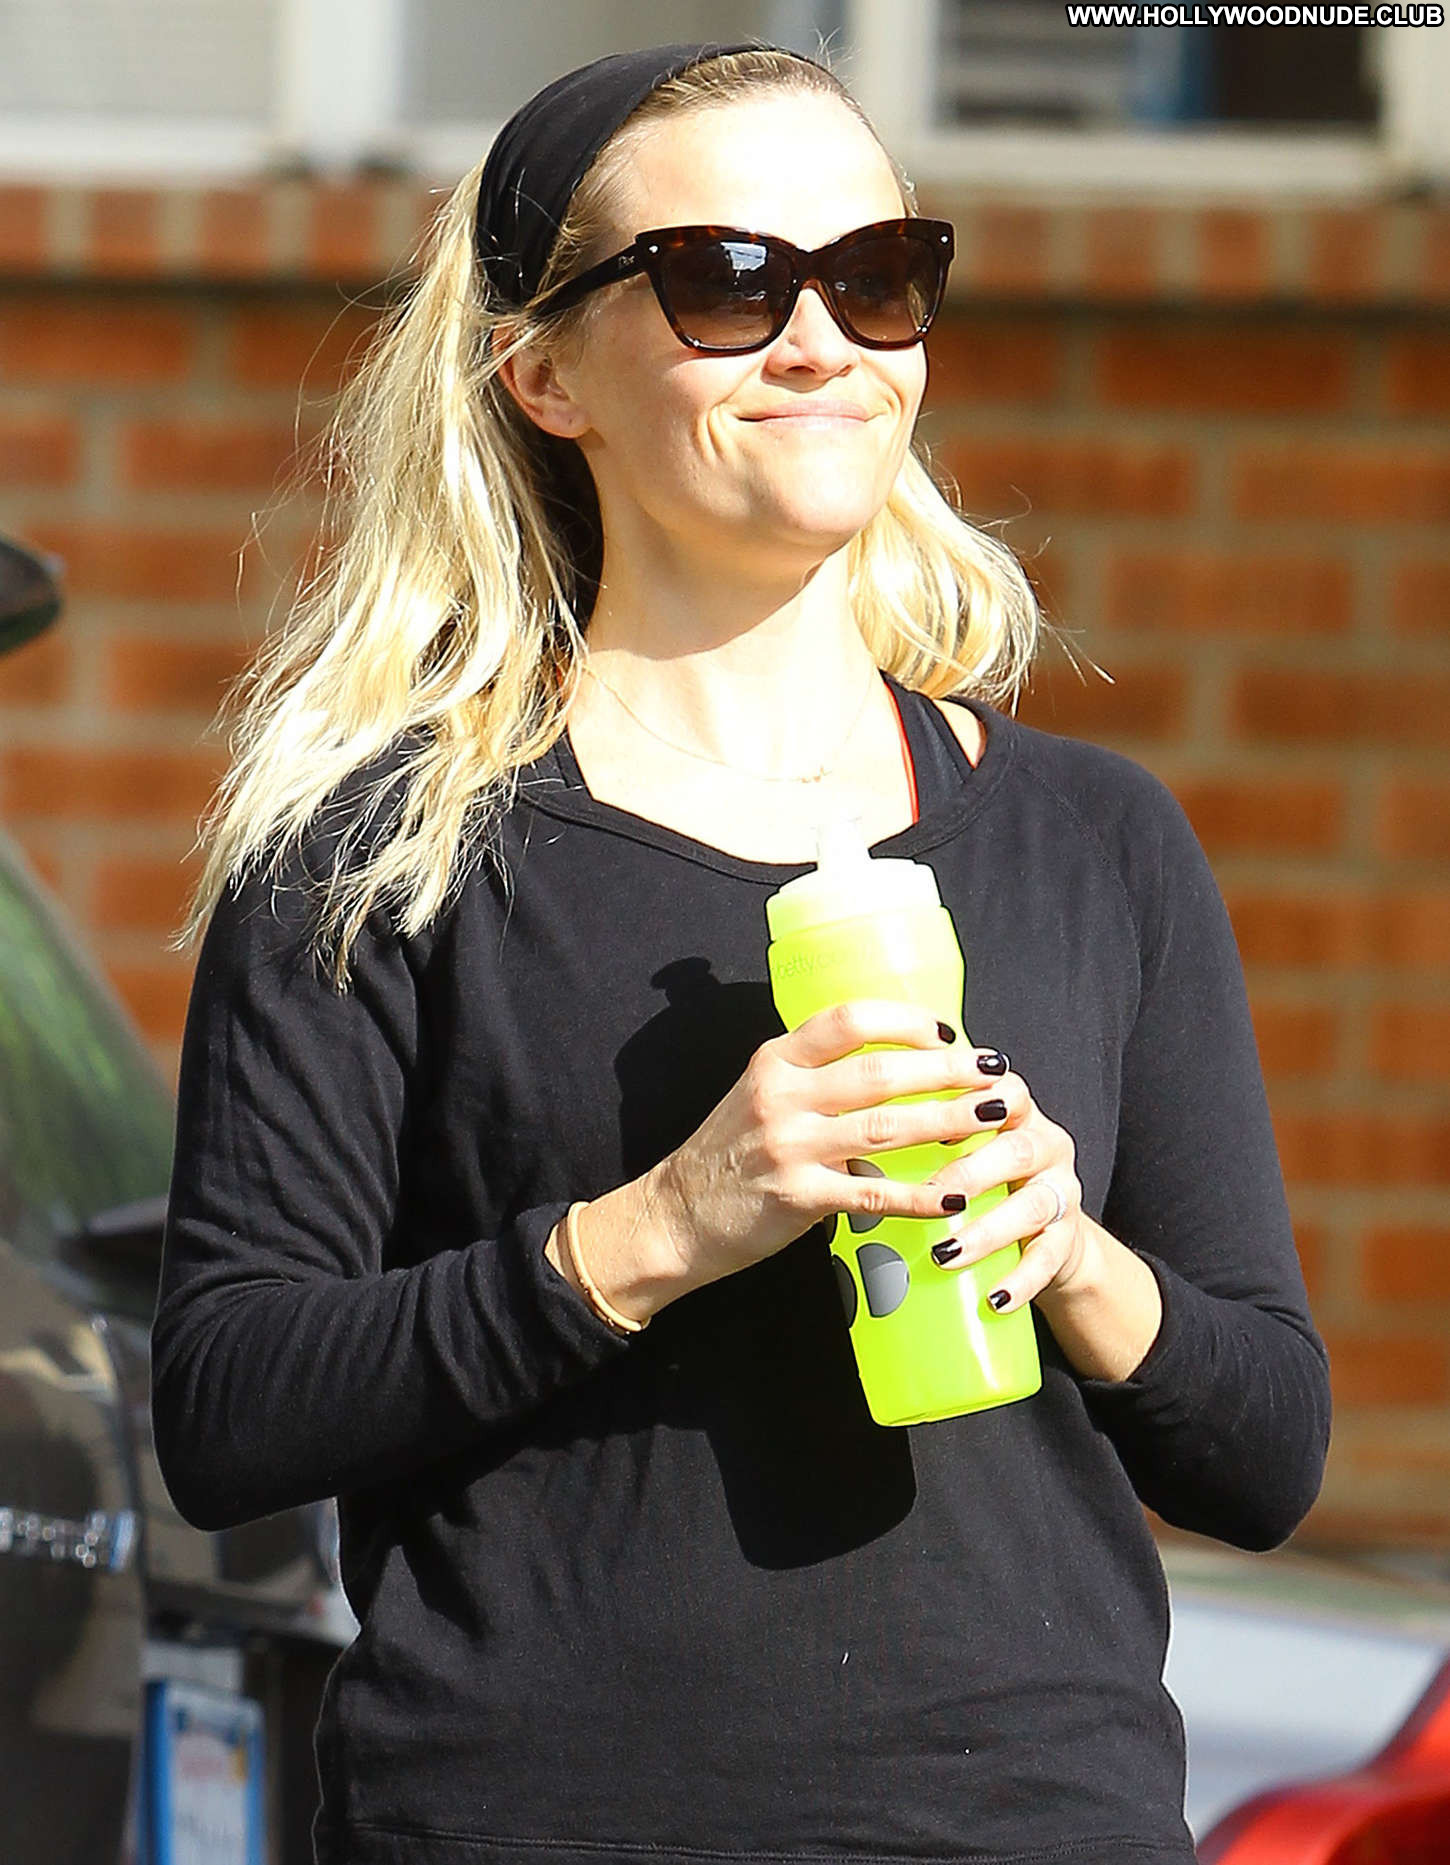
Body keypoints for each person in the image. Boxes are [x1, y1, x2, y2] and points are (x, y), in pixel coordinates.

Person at [151, 41, 1331, 1865]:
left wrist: (1069, 1250)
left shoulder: (1095, 840)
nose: (819, 343)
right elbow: (230, 1405)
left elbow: (1265, 1453)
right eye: (726, 282)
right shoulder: (379, 853)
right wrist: (661, 1226)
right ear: (543, 371)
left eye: (876, 275)